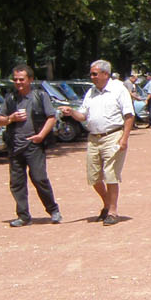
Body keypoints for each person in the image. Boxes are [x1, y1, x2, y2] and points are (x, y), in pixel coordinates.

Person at [59, 58, 135, 225]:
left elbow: (129, 115)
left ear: (105, 74)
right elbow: (83, 116)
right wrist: (71, 112)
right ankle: (107, 203)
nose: (92, 77)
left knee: (111, 174)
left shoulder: (118, 90)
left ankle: (113, 212)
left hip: (113, 136)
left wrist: (124, 139)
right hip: (93, 138)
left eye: (95, 74)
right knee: (93, 177)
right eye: (91, 74)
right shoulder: (91, 92)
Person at [0, 63, 61, 227]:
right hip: (15, 146)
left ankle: (53, 210)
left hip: (34, 145)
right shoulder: (10, 98)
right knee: (16, 183)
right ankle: (23, 216)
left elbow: (51, 117)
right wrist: (11, 118)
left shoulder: (40, 96)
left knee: (39, 179)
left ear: (30, 79)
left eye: (21, 79)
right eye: (15, 79)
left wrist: (41, 136)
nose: (18, 82)